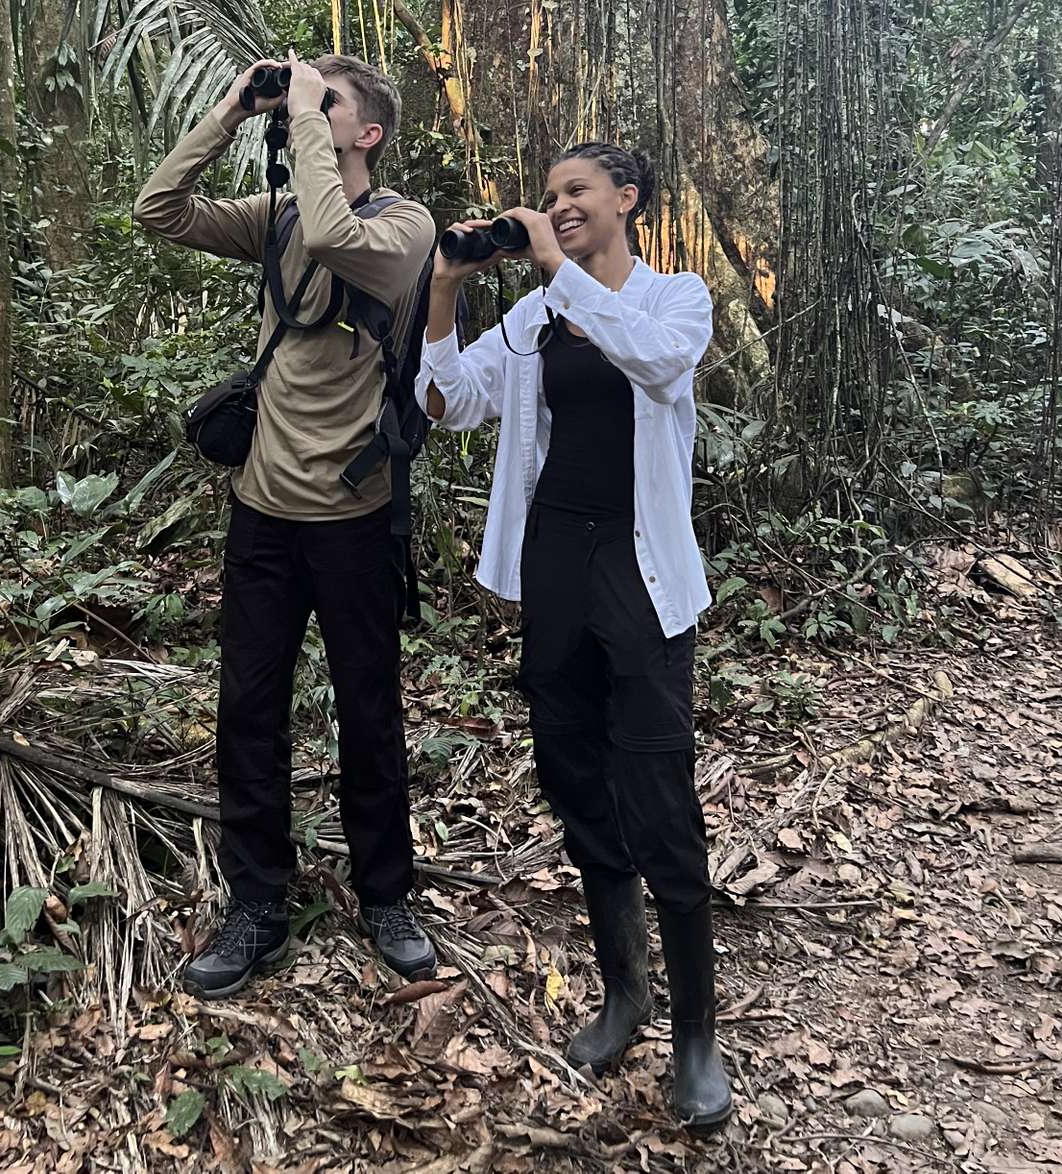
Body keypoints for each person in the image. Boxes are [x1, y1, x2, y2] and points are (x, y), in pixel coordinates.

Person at [415, 143, 731, 1130]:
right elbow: (449, 401)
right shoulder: (536, 315)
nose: (557, 208)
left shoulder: (677, 298)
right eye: (549, 199)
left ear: (627, 198)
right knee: (577, 783)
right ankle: (625, 994)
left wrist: (555, 265)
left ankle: (697, 1037)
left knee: (659, 794)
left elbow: (657, 361)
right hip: (555, 569)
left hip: (638, 579)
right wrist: (442, 290)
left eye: (575, 193)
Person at [133, 51, 437, 998]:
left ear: (368, 133)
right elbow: (159, 210)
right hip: (263, 512)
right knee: (248, 714)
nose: (308, 110)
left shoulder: (407, 229)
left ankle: (387, 893)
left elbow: (343, 241)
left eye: (330, 104)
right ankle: (257, 902)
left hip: (355, 518)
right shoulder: (281, 217)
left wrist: (303, 111)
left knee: (368, 710)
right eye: (310, 101)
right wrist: (232, 108)